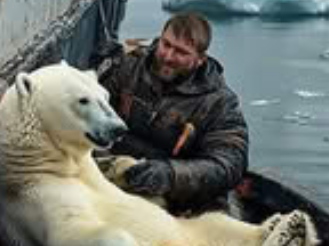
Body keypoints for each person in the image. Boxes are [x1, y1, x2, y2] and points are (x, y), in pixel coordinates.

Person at [92, 11, 248, 213]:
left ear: (200, 59)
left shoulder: (219, 103)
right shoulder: (128, 68)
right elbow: (91, 112)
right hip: (118, 171)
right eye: (166, 45)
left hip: (177, 195)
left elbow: (229, 164)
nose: (168, 56)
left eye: (181, 52)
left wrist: (171, 175)